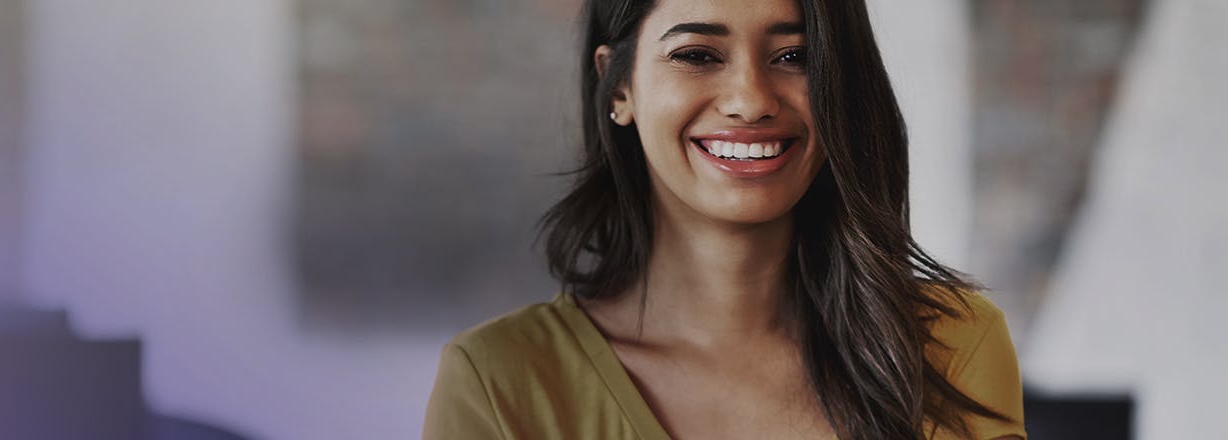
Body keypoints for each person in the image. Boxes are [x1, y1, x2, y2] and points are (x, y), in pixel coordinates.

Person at [424, 0, 1026, 438]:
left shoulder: (954, 347)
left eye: (795, 56)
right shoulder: (499, 382)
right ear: (618, 87)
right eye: (696, 55)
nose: (752, 99)